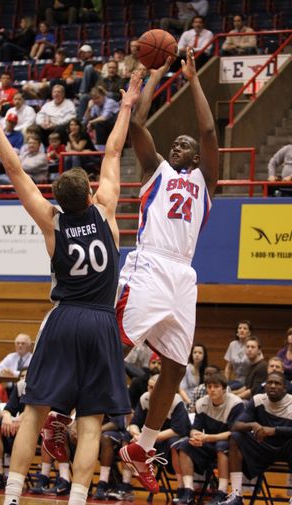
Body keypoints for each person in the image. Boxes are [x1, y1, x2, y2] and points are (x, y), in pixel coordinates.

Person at [0, 71, 142, 505]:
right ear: (90, 194)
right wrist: (126, 106)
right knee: (90, 423)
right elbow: (111, 149)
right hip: (102, 323)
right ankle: (76, 499)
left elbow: (14, 171)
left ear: (58, 199)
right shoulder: (106, 214)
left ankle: (13, 496)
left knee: (34, 412)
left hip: (64, 317)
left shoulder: (52, 223)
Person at [117, 47, 219, 494]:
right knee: (115, 343)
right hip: (151, 262)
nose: (179, 144)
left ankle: (141, 444)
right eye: (174, 142)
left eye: (186, 145)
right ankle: (61, 409)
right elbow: (138, 124)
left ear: (195, 159)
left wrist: (194, 79)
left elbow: (209, 129)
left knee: (176, 367)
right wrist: (157, 72)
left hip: (183, 275)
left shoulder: (203, 182)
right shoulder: (153, 169)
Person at [219, 371, 292, 505]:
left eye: (277, 383)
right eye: (270, 382)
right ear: (265, 386)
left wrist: (275, 430)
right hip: (263, 448)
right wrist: (252, 424)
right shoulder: (258, 400)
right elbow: (235, 425)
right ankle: (237, 495)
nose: (273, 386)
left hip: (286, 449)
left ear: (285, 388)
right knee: (235, 437)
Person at [175, 373, 244, 505]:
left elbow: (234, 433)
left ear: (224, 389)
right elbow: (195, 428)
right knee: (185, 445)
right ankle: (189, 491)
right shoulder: (201, 403)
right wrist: (195, 436)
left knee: (221, 445)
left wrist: (207, 438)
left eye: (216, 386)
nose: (212, 389)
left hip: (230, 445)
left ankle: (221, 492)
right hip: (209, 441)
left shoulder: (236, 404)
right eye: (209, 386)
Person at [127, 374, 191, 501]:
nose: (150, 391)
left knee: (175, 444)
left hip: (171, 438)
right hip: (151, 439)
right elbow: (134, 423)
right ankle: (125, 484)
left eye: (153, 388)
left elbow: (177, 430)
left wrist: (146, 438)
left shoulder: (175, 400)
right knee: (127, 439)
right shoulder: (145, 398)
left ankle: (181, 488)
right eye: (149, 387)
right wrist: (136, 434)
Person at [83, 85, 120, 150]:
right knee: (84, 126)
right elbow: (86, 119)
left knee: (99, 123)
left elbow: (104, 118)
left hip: (118, 128)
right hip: (106, 128)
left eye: (98, 98)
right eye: (94, 99)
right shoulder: (95, 105)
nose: (96, 101)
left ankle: (101, 150)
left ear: (103, 95)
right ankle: (92, 149)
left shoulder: (110, 102)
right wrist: (88, 108)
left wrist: (91, 122)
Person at [224, 320, 253, 390]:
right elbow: (228, 367)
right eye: (240, 328)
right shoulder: (232, 344)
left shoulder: (252, 345)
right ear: (237, 332)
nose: (242, 330)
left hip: (249, 381)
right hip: (236, 380)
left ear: (249, 333)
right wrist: (225, 382)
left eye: (245, 328)